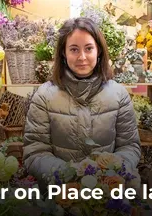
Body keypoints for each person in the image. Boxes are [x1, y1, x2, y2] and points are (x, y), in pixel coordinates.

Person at [22, 17, 141, 190]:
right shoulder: (44, 96)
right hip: (58, 199)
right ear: (63, 53)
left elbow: (130, 146)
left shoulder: (118, 94)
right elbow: (35, 152)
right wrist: (70, 175)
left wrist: (110, 172)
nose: (82, 57)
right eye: (74, 49)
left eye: (89, 48)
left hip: (108, 199)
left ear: (99, 51)